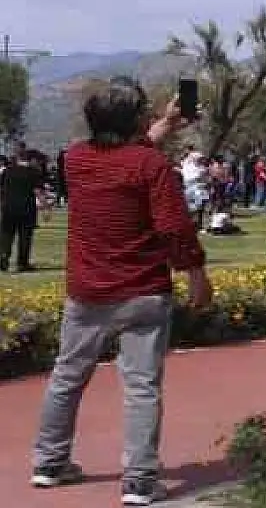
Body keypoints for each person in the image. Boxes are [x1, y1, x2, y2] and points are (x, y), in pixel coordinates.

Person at [31, 76, 212, 506]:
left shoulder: (74, 159)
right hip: (142, 291)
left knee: (67, 376)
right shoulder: (152, 168)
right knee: (141, 387)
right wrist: (197, 274)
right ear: (134, 118)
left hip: (87, 290)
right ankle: (139, 481)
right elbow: (172, 226)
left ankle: (49, 462)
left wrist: (165, 126)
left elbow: (123, 160)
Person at [0, 148, 44, 271]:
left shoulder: (7, 171)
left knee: (6, 235)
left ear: (17, 158)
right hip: (27, 208)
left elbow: (1, 189)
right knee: (25, 237)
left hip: (8, 207)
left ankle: (3, 258)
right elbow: (38, 191)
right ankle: (22, 263)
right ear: (30, 160)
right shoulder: (33, 172)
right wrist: (46, 208)